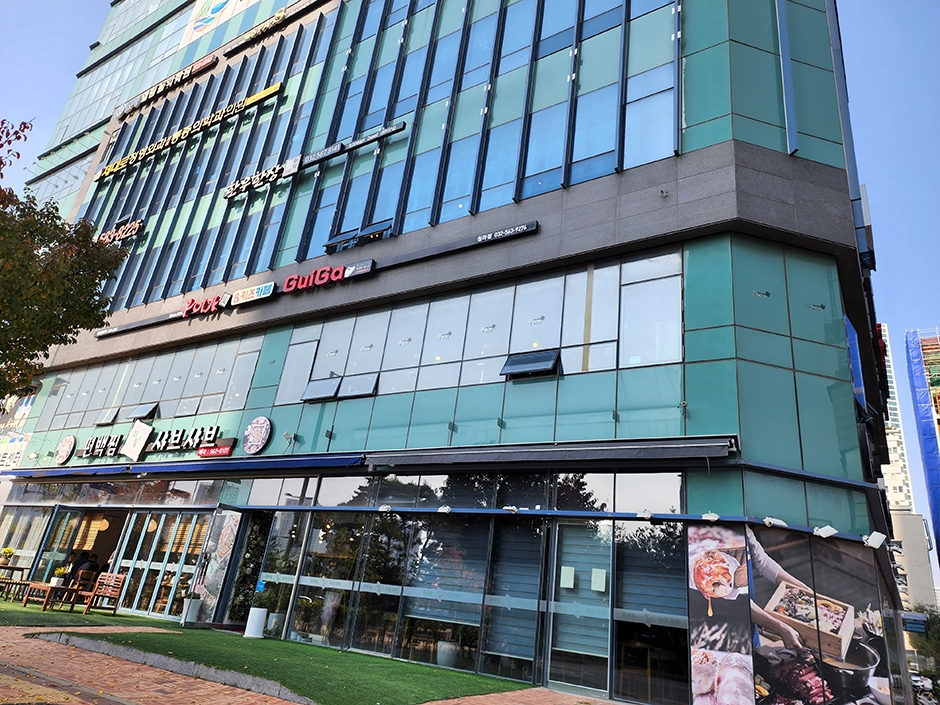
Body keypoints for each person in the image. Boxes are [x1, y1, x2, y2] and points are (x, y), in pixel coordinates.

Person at [746, 526, 811, 651]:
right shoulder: (710, 540)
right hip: (722, 636)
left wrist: (802, 588)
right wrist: (781, 628)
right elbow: (737, 600)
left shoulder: (744, 528)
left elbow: (762, 562)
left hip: (750, 632)